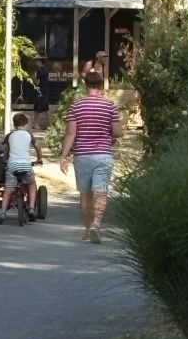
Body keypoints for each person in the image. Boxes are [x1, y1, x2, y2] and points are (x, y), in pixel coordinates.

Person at [59, 71, 123, 243]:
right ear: (101, 85)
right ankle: (96, 224)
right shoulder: (109, 106)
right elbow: (118, 132)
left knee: (85, 194)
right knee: (101, 192)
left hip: (82, 156)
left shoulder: (76, 106)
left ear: (85, 85)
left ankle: (88, 230)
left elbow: (70, 133)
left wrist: (64, 157)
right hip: (103, 155)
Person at [0, 113, 43, 224]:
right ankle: (31, 208)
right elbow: (37, 145)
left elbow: (6, 150)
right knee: (31, 184)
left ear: (14, 124)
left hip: (12, 165)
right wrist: (40, 158)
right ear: (26, 124)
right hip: (26, 165)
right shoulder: (29, 135)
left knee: (8, 189)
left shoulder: (10, 135)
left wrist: (4, 160)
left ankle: (2, 213)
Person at [32, 57, 50, 130]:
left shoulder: (40, 71)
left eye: (37, 61)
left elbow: (37, 82)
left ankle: (51, 124)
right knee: (36, 108)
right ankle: (34, 124)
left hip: (42, 91)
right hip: (42, 91)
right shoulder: (44, 70)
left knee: (46, 108)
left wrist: (32, 77)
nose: (36, 63)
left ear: (40, 62)